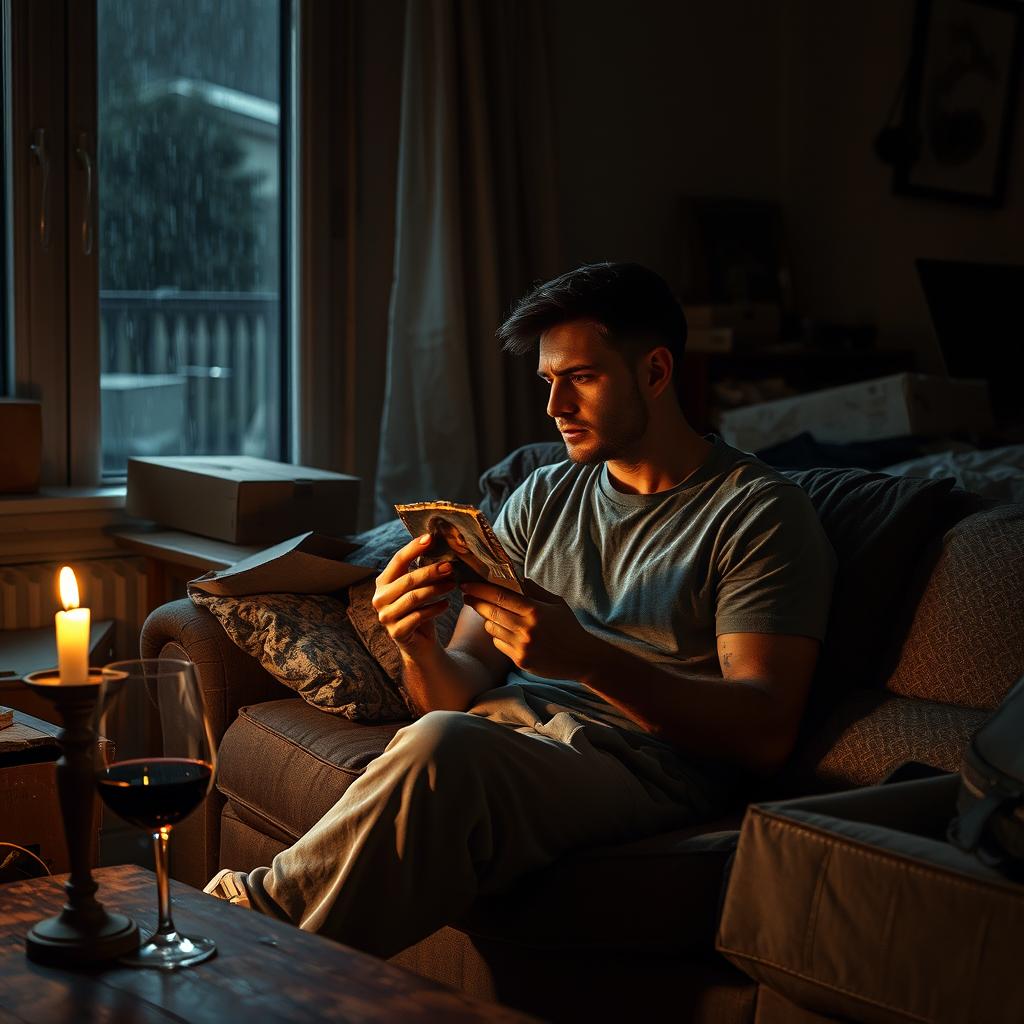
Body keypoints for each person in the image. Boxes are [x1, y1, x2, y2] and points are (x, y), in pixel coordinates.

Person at [205, 262, 836, 959]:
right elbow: (464, 678)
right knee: (443, 733)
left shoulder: (759, 513)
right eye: (548, 382)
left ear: (655, 373)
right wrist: (416, 644)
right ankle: (253, 949)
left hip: (646, 770)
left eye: (582, 379)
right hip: (502, 744)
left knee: (447, 747)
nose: (554, 407)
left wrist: (588, 660)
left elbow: (766, 728)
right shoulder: (542, 496)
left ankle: (239, 940)